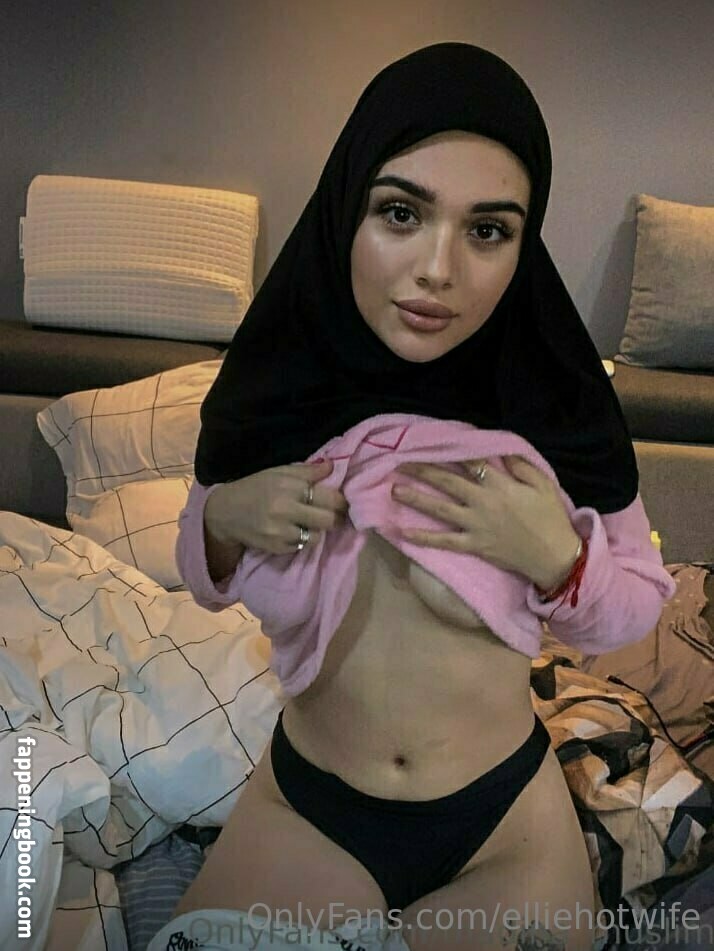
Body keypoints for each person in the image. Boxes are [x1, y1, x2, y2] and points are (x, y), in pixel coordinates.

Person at [149, 43, 676, 951]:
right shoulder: (273, 391)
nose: (439, 268)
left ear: (523, 244)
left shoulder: (556, 406)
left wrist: (560, 559)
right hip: (309, 810)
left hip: (501, 826)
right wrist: (223, 522)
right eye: (401, 212)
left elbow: (638, 602)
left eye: (487, 230)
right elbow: (202, 568)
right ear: (346, 209)